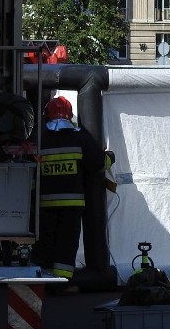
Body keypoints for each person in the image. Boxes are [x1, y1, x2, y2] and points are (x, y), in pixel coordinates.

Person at [37, 95, 114, 280]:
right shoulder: (80, 138)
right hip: (72, 202)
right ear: (69, 115)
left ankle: (42, 277)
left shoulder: (40, 138)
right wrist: (110, 157)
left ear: (47, 115)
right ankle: (62, 281)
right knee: (67, 242)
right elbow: (97, 163)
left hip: (45, 202)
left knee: (46, 240)